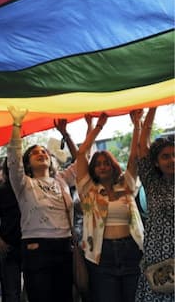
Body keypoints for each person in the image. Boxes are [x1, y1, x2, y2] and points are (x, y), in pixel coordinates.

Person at [6, 106, 79, 302]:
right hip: (36, 249)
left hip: (65, 247)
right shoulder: (24, 184)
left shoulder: (62, 181)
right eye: (35, 153)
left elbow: (83, 162)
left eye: (45, 151)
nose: (42, 153)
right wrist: (16, 124)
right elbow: (13, 157)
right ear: (28, 163)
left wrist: (66, 135)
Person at [75, 112, 144, 302]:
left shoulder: (127, 187)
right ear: (93, 170)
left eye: (106, 163)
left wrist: (137, 124)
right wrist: (98, 126)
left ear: (113, 166)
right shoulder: (88, 191)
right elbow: (81, 154)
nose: (103, 167)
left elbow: (134, 157)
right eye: (98, 165)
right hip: (101, 254)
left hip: (132, 250)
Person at [134, 107, 174, 302]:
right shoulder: (152, 184)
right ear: (156, 163)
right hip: (157, 262)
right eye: (166, 156)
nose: (172, 160)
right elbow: (142, 146)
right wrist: (153, 106)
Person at [0, 159, 23, 302]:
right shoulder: (0, 192)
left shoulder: (28, 189)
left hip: (30, 246)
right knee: (10, 294)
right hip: (7, 247)